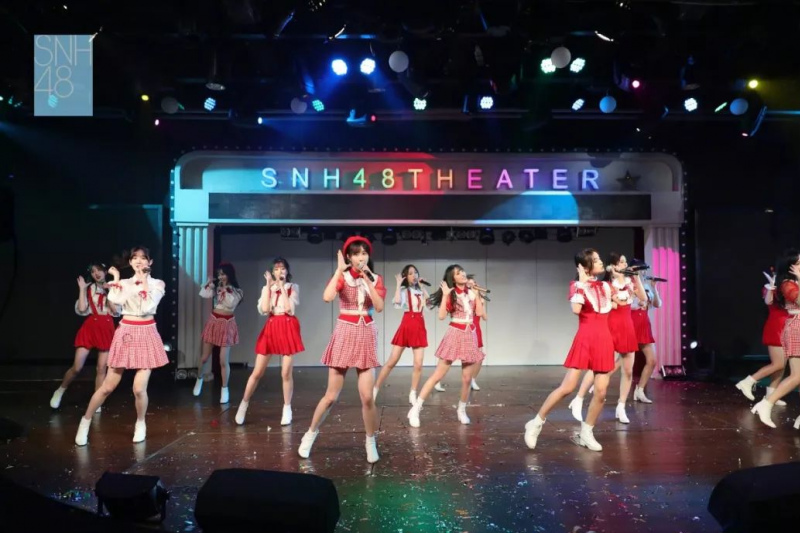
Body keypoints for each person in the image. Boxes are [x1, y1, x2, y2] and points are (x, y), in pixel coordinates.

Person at [298, 236, 386, 463]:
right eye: (356, 254)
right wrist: (339, 271)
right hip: (345, 333)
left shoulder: (375, 278)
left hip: (366, 333)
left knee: (367, 396)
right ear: (348, 257)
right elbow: (327, 297)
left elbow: (379, 306)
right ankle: (310, 434)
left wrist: (368, 281)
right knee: (331, 396)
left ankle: (370, 441)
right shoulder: (343, 277)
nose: (361, 257)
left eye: (364, 253)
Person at [75, 246, 168, 446]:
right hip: (126, 332)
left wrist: (143, 280)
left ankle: (140, 423)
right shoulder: (124, 283)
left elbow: (149, 306)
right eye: (135, 258)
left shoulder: (158, 284)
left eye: (143, 258)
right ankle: (85, 421)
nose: (139, 261)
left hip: (147, 333)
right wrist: (117, 279)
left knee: (139, 389)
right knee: (107, 387)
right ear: (131, 262)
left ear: (150, 262)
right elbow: (115, 301)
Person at [235, 257, 304, 426]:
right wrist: (268, 286)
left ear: (287, 271)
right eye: (276, 269)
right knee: (257, 372)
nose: (280, 271)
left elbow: (289, 309)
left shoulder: (293, 287)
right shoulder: (267, 289)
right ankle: (243, 405)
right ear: (272, 272)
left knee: (286, 372)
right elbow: (265, 309)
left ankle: (287, 408)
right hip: (272, 326)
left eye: (282, 268)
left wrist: (282, 286)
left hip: (287, 325)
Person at [51, 262, 119, 411]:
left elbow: (115, 311)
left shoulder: (114, 287)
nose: (96, 273)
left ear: (105, 271)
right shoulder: (89, 288)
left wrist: (109, 292)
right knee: (77, 367)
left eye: (99, 270)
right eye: (93, 272)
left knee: (101, 368)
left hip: (106, 327)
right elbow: (82, 309)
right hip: (90, 326)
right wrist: (82, 289)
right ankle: (60, 390)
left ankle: (96, 401)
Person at [193, 262, 243, 404]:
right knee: (204, 358)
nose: (221, 277)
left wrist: (225, 289)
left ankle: (224, 389)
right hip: (214, 322)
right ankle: (199, 379)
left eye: (223, 274)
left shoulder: (237, 291)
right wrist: (209, 283)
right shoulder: (216, 288)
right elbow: (203, 294)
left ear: (229, 274)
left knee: (223, 360)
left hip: (227, 324)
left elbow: (230, 304)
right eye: (219, 274)